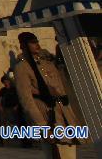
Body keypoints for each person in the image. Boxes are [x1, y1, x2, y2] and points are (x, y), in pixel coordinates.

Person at [13, 31, 79, 159]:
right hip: (48, 118)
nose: (37, 45)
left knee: (69, 153)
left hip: (63, 115)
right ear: (24, 45)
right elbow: (26, 100)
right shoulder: (22, 67)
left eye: (37, 41)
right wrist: (42, 126)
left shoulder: (47, 62)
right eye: (32, 42)